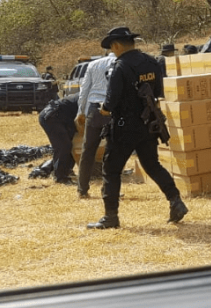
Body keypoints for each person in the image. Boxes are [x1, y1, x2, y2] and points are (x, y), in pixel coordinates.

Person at [87, 27, 188, 230]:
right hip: (148, 124)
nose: (112, 52)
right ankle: (175, 201)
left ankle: (111, 217)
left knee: (111, 170)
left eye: (112, 48)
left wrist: (104, 111)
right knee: (152, 165)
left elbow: (111, 101)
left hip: (124, 127)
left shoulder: (119, 67)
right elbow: (158, 92)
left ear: (116, 45)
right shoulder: (152, 62)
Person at [76, 52, 116, 199]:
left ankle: (82, 189)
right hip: (113, 110)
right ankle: (108, 188)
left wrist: (81, 111)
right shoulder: (122, 63)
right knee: (113, 151)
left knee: (88, 150)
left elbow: (84, 90)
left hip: (94, 109)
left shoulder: (93, 65)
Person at [37, 93, 80, 184]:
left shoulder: (87, 96)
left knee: (71, 143)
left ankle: (66, 170)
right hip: (51, 117)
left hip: (61, 117)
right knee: (63, 146)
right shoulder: (87, 98)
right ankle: (60, 177)